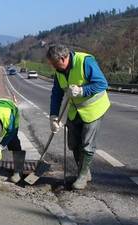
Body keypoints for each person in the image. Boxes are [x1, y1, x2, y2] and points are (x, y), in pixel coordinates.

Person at [46, 44, 111, 190]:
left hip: (93, 108)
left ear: (63, 58)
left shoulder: (86, 62)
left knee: (87, 143)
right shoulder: (59, 71)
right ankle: (84, 171)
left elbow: (102, 83)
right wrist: (53, 116)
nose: (54, 67)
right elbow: (57, 93)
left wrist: (82, 90)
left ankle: (82, 176)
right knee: (73, 143)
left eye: (55, 64)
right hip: (75, 110)